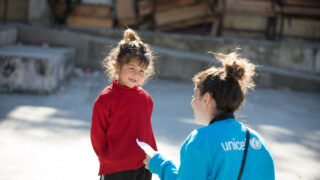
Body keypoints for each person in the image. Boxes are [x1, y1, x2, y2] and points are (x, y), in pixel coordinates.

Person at [143, 51, 275, 180]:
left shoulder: (199, 141)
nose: (192, 102)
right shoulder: (256, 141)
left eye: (194, 96)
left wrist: (161, 166)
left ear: (206, 99)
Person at [90, 28, 157, 180]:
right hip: (115, 168)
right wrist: (107, 158)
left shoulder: (146, 99)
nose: (136, 74)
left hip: (142, 166)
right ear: (117, 67)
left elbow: (146, 132)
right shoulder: (106, 99)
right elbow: (97, 136)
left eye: (141, 70)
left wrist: (153, 156)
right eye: (131, 68)